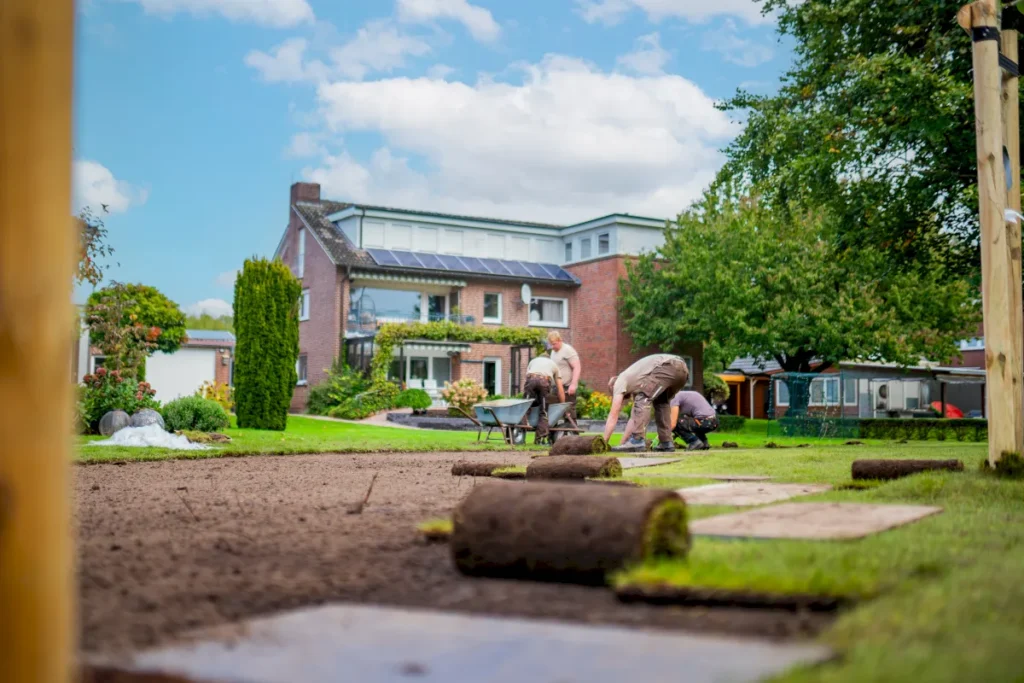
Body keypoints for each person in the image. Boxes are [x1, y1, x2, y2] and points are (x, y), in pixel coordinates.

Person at [603, 354, 690, 452]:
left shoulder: (619, 381)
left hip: (668, 366)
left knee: (643, 398)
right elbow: (634, 418)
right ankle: (666, 442)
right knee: (661, 403)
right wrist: (622, 445)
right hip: (682, 371)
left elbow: (614, 414)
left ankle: (637, 440)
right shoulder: (636, 380)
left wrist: (603, 443)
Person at [523, 353, 566, 444]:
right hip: (544, 381)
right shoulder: (553, 365)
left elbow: (527, 378)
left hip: (531, 379)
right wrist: (563, 406)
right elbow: (560, 388)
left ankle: (520, 430)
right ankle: (539, 438)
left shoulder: (533, 361)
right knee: (543, 411)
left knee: (525, 407)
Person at [547, 331, 581, 424]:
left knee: (569, 414)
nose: (552, 347)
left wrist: (573, 384)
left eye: (554, 344)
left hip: (567, 387)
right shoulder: (553, 352)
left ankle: (573, 435)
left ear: (560, 340)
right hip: (556, 388)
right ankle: (553, 437)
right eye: (551, 345)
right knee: (553, 413)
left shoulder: (568, 350)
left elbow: (577, 367)